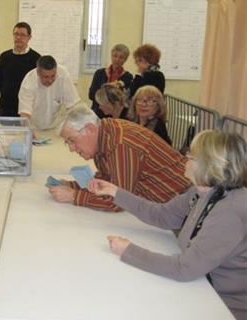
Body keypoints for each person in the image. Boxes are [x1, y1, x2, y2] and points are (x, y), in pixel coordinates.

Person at [88, 130, 247, 320]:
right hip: (199, 288)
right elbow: (162, 216)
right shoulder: (201, 191)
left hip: (223, 305)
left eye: (190, 156)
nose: (184, 160)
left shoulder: (229, 211)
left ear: (209, 165)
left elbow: (185, 268)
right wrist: (115, 192)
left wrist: (128, 251)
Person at [49, 104, 190, 211]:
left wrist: (74, 196)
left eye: (72, 140)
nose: (71, 149)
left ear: (90, 129)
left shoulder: (120, 144)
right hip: (159, 206)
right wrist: (72, 185)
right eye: (67, 143)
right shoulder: (103, 135)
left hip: (181, 207)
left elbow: (119, 201)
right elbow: (106, 181)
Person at [18, 55, 80, 131]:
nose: (50, 80)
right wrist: (28, 131)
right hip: (34, 128)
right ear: (38, 73)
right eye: (46, 77)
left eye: (53, 76)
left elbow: (73, 105)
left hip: (55, 127)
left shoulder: (63, 74)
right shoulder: (29, 82)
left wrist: (77, 127)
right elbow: (25, 114)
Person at [0, 22, 41, 117]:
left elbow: (39, 86)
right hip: (5, 108)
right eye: (16, 34)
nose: (18, 38)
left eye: (22, 35)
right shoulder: (4, 56)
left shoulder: (36, 58)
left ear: (29, 37)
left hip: (27, 109)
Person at [89, 44, 133, 118]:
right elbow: (91, 94)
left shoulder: (128, 77)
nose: (117, 59)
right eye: (115, 56)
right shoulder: (99, 73)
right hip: (98, 113)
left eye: (121, 57)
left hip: (117, 116)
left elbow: (125, 99)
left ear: (125, 60)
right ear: (111, 56)